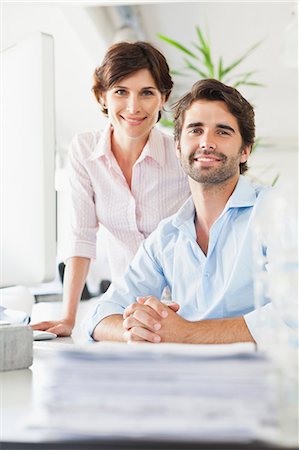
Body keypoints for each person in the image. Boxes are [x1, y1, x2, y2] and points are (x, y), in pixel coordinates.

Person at [84, 78, 272, 344]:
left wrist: (186, 332)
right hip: (183, 377)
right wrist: (136, 329)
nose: (207, 142)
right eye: (195, 130)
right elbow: (100, 315)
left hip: (264, 379)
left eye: (222, 131)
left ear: (244, 151)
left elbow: (292, 315)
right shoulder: (167, 236)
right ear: (178, 147)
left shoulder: (275, 214)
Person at [32, 42, 190, 337]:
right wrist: (68, 317)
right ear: (102, 96)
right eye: (121, 91)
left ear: (163, 98)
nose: (134, 107)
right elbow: (81, 235)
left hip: (185, 306)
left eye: (147, 92)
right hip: (125, 308)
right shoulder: (85, 150)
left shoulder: (181, 155)